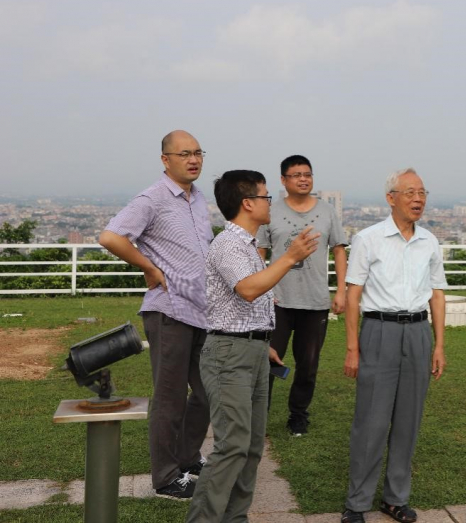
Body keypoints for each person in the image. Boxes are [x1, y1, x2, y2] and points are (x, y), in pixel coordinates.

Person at [186, 170, 320, 522]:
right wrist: (289, 258)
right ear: (248, 203)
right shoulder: (228, 244)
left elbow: (251, 301)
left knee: (251, 446)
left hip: (254, 351)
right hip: (228, 355)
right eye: (265, 196)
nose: (270, 202)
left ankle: (235, 517)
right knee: (232, 446)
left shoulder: (247, 245)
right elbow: (247, 289)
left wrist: (264, 343)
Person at [99, 130, 213, 499]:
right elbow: (111, 237)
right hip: (169, 310)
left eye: (198, 153)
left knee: (209, 389)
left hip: (200, 310)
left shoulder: (197, 200)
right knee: (170, 396)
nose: (193, 159)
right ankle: (165, 477)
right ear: (166, 160)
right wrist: (148, 266)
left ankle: (187, 455)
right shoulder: (153, 198)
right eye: (184, 154)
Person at [341, 168, 447, 523]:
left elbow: (437, 295)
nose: (418, 199)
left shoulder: (429, 241)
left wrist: (439, 345)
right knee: (370, 422)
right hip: (378, 331)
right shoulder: (368, 239)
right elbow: (353, 296)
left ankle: (395, 499)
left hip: (418, 333)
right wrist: (353, 347)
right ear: (391, 198)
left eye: (422, 192)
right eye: (410, 192)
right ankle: (357, 503)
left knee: (408, 421)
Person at [256, 155, 348, 437]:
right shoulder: (270, 211)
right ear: (283, 180)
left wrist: (341, 290)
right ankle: (259, 415)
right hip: (277, 300)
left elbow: (339, 249)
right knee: (268, 360)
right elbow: (259, 252)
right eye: (296, 175)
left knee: (308, 365)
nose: (303, 179)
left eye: (307, 174)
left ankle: (298, 415)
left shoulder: (327, 212)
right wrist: (261, 291)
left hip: (315, 301)